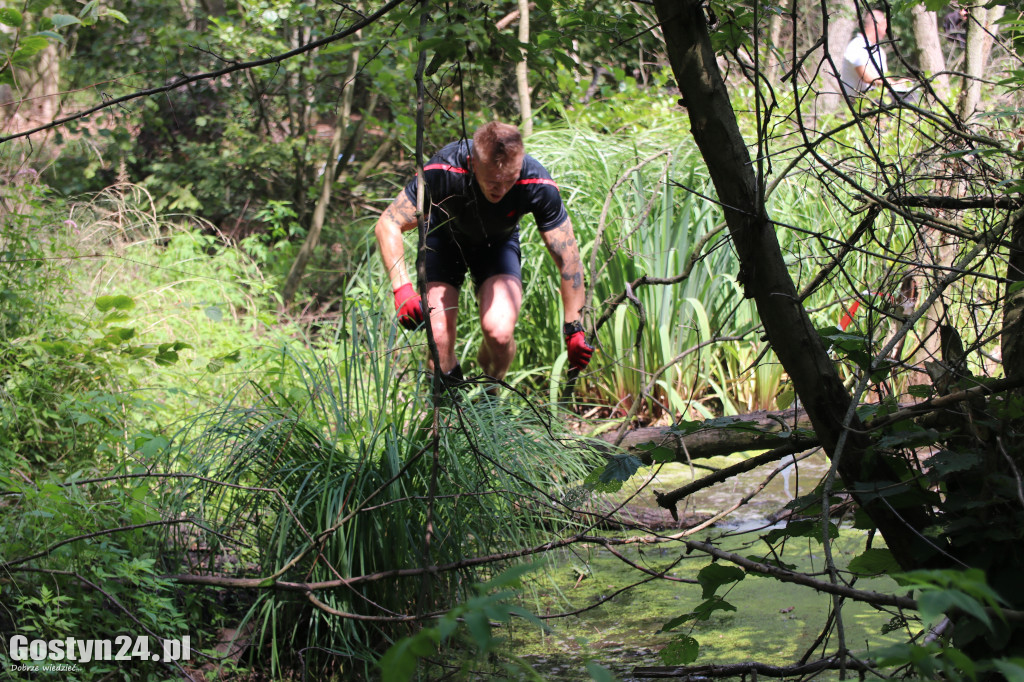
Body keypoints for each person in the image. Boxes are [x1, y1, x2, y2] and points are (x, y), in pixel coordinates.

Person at [374, 121, 594, 388]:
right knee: (439, 338)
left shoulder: (536, 182)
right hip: (444, 241)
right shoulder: (444, 170)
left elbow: (568, 259)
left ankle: (487, 401)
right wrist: (403, 290)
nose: (501, 190)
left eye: (509, 180)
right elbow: (388, 224)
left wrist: (574, 328)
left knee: (499, 334)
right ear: (472, 163)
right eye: (492, 181)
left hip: (496, 248)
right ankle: (450, 415)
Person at [839, 9, 889, 98]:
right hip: (860, 101)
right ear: (877, 25)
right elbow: (867, 77)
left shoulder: (879, 51)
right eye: (885, 26)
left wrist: (900, 84)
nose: (886, 31)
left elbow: (884, 78)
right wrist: (892, 84)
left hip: (877, 99)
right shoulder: (857, 45)